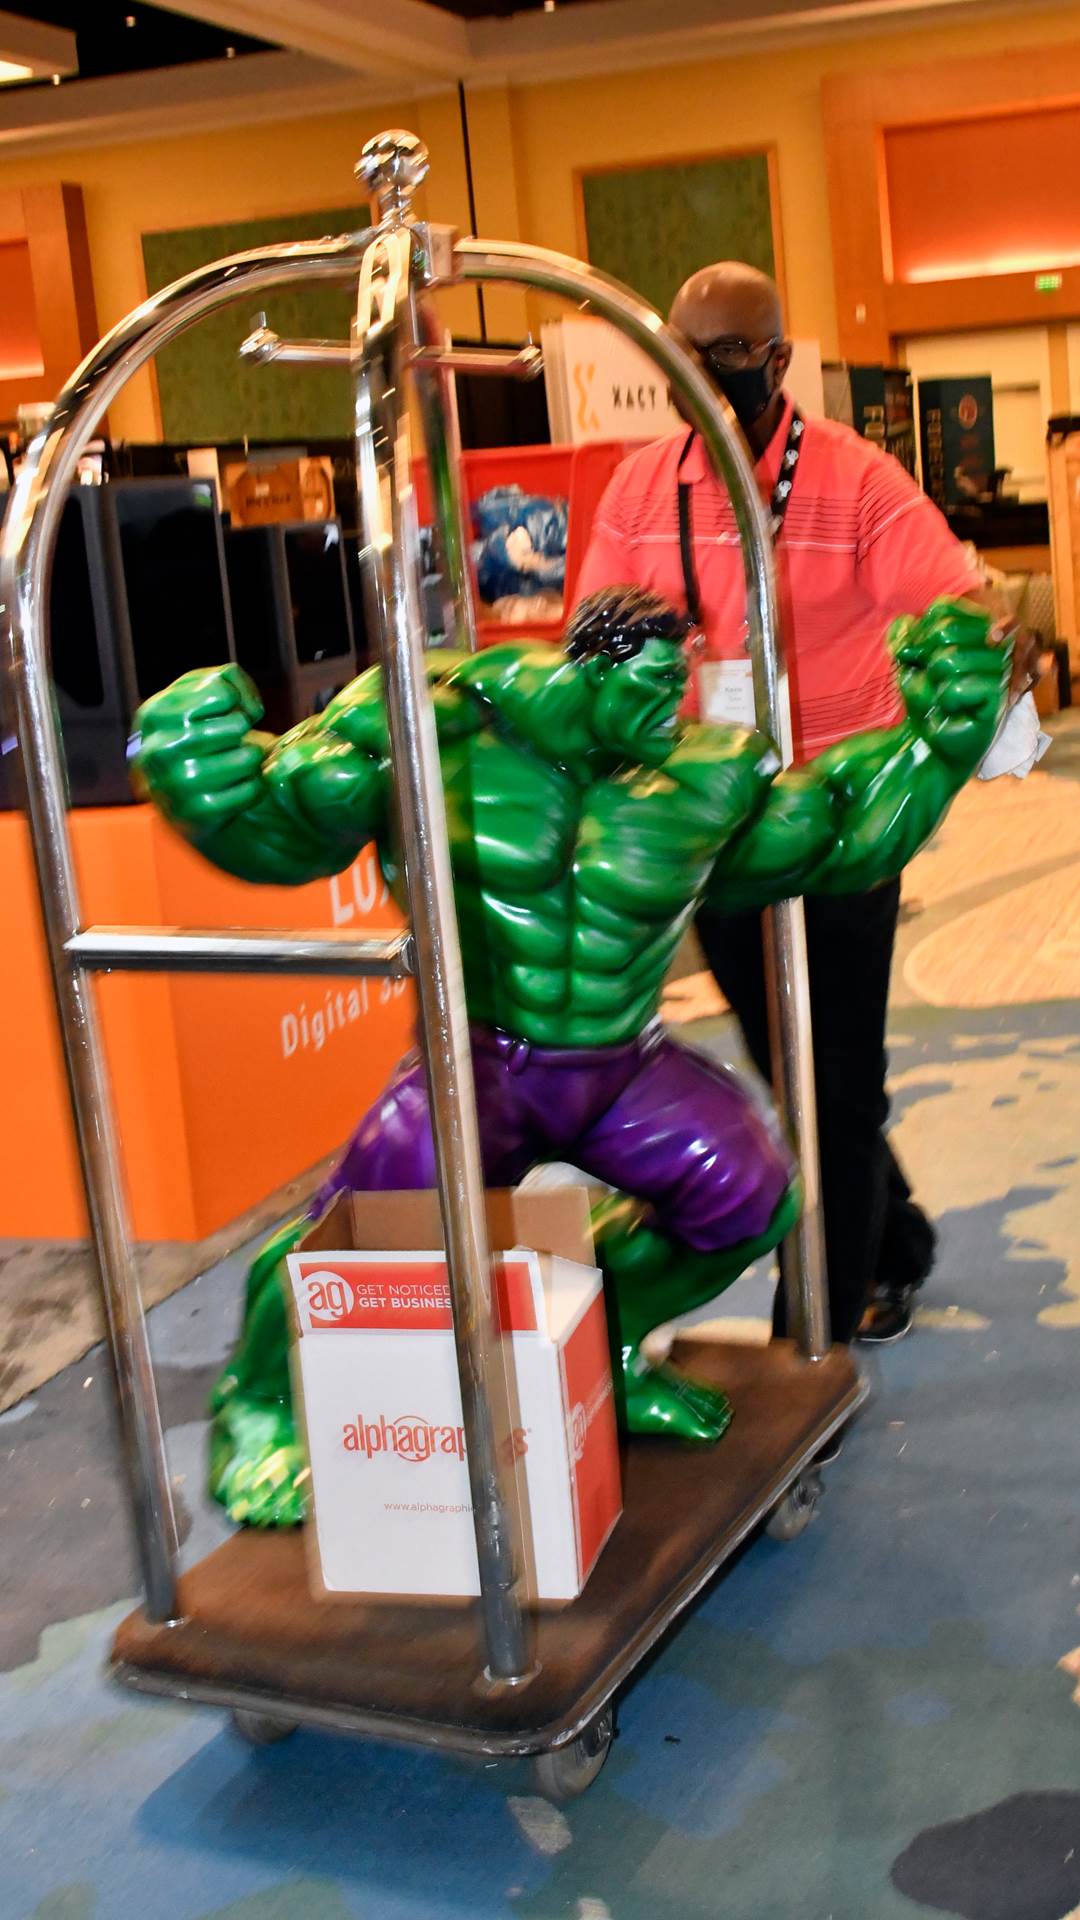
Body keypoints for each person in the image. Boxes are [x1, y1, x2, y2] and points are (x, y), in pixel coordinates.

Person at [132, 586, 1010, 1521]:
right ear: (590, 667)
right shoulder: (438, 724)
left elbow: (838, 827)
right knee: (365, 1227)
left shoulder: (704, 775)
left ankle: (606, 1349)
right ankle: (260, 1404)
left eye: (678, 683)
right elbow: (289, 822)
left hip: (622, 1068)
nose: (671, 706)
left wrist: (936, 746)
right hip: (481, 1065)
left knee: (751, 1195)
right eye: (652, 684)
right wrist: (208, 782)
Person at [575, 261, 1034, 1349]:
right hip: (714, 826)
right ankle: (896, 1238)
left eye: (727, 354)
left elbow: (954, 596)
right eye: (681, 354)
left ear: (779, 361)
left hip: (839, 820)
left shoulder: (855, 479)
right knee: (792, 1068)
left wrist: (992, 642)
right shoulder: (641, 490)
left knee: (839, 1074)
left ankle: (812, 1326)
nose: (701, 374)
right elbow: (591, 635)